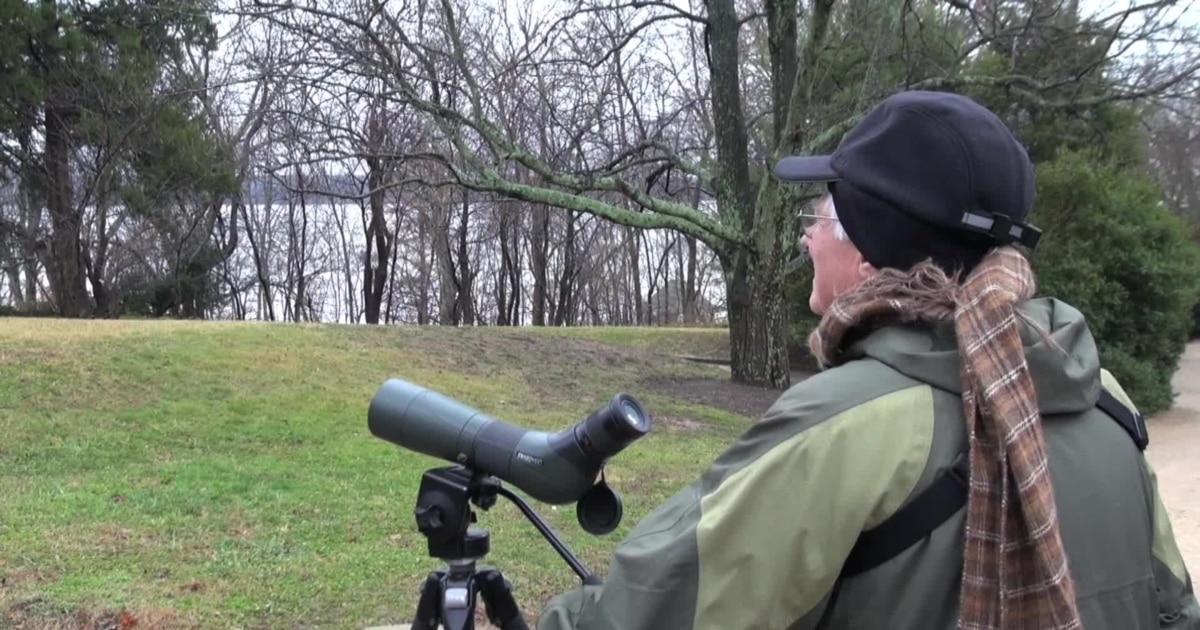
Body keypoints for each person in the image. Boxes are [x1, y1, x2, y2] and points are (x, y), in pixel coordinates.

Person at [535, 90, 1198, 630]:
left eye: (820, 215)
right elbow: (1174, 607)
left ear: (870, 252)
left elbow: (649, 612)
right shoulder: (1101, 395)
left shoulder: (851, 422)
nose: (806, 235)